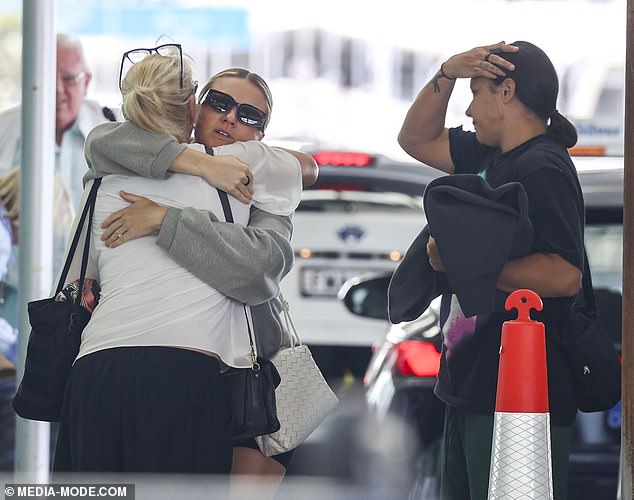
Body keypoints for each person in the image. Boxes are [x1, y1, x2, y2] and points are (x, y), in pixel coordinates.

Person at [53, 45, 304, 474]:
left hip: (108, 375)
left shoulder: (252, 176)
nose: (229, 118)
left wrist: (165, 220)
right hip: (175, 375)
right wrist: (198, 165)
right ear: (193, 108)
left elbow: (262, 266)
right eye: (219, 103)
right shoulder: (125, 155)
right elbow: (103, 139)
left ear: (262, 136)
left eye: (249, 116)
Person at [394, 41, 584, 500]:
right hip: (471, 384)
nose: (469, 106)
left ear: (507, 92)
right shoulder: (488, 155)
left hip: (520, 398)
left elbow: (565, 274)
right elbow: (414, 139)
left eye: (476, 91)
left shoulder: (544, 165)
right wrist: (448, 72)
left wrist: (468, 265)